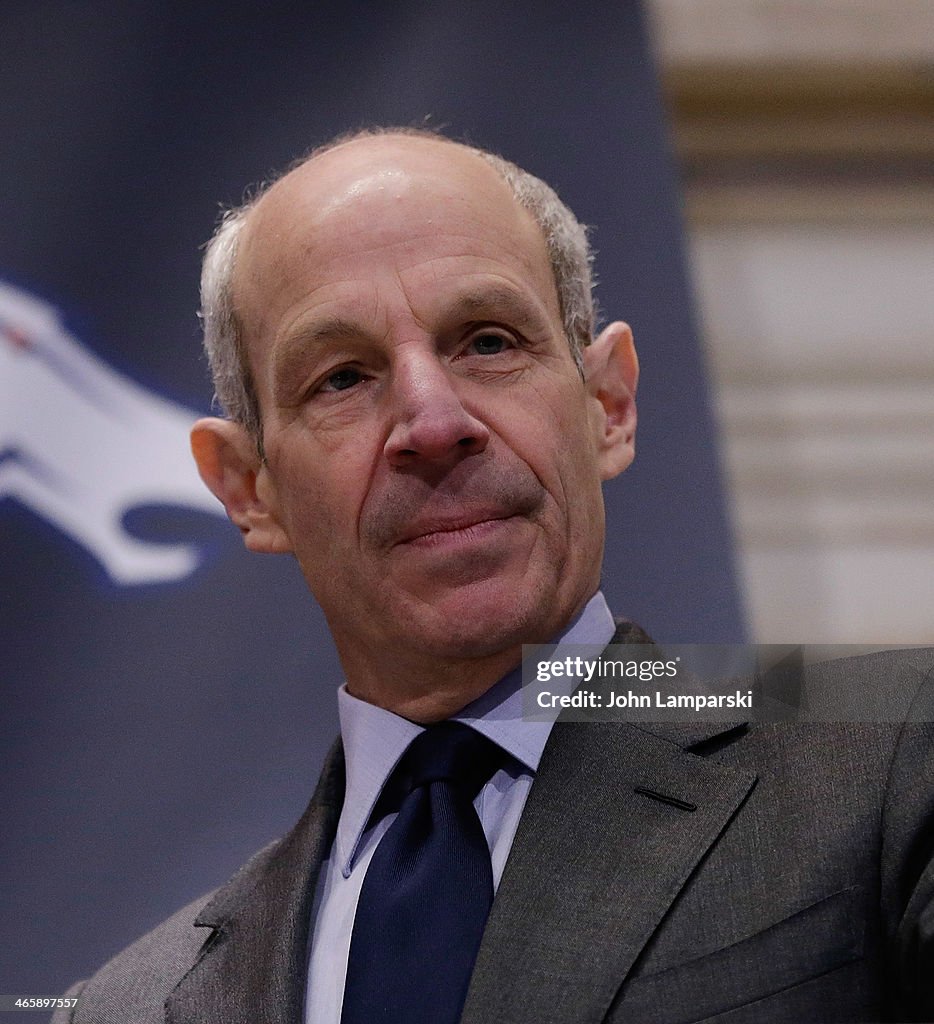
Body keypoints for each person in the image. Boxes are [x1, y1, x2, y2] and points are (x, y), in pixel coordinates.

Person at [54, 128, 934, 1024]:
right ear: (250, 490)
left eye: (486, 342)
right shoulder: (128, 1006)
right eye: (344, 377)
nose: (433, 422)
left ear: (608, 405)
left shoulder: (897, 754)